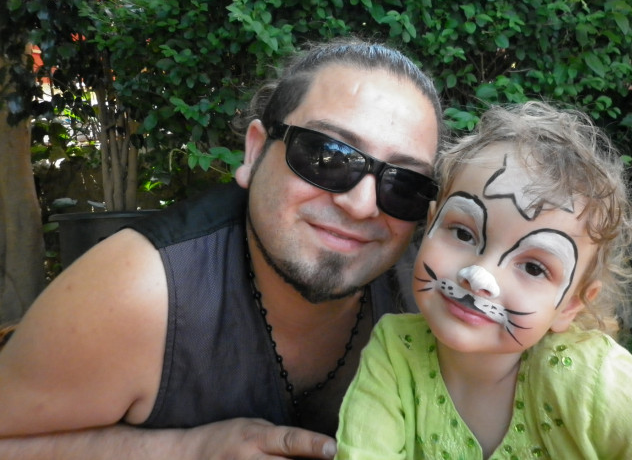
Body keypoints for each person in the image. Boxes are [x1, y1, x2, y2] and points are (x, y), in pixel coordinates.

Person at [0, 39, 444, 459]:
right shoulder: (140, 291)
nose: (362, 205)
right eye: (326, 156)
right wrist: (183, 451)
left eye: (404, 184)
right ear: (254, 152)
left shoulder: (428, 299)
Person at [335, 101, 632, 459]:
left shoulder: (586, 378)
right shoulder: (395, 352)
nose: (479, 276)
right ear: (432, 221)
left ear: (571, 304)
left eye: (533, 267)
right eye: (463, 233)